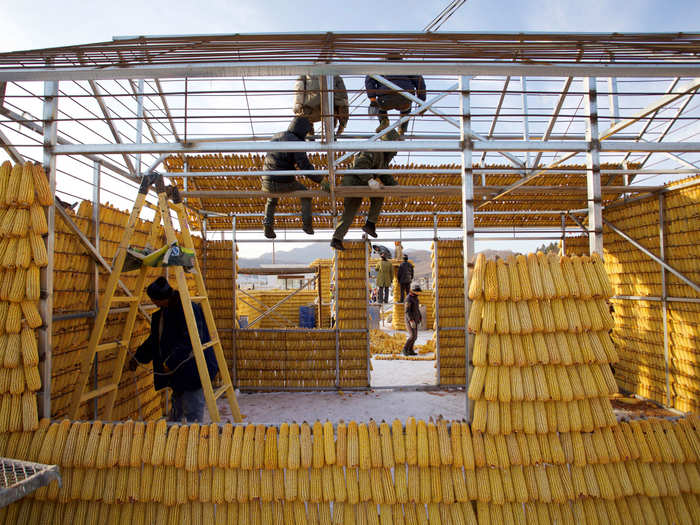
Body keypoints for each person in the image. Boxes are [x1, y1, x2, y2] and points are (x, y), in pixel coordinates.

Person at [128, 277, 218, 422]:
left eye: (153, 300)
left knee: (192, 412)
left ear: (161, 298)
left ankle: (193, 441)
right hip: (178, 373)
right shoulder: (165, 312)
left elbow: (191, 340)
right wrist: (139, 357)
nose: (153, 303)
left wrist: (170, 362)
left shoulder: (188, 310)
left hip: (193, 370)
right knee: (178, 410)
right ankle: (176, 439)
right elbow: (155, 341)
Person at [330, 129, 401, 251]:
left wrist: (397, 187)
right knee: (374, 198)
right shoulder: (373, 149)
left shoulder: (383, 159)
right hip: (353, 182)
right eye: (394, 148)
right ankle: (370, 224)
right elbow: (360, 163)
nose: (395, 153)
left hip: (361, 183)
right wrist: (369, 179)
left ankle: (337, 239)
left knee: (351, 211)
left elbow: (385, 175)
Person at [262, 116, 326, 239]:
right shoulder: (296, 142)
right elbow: (305, 166)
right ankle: (307, 225)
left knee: (271, 199)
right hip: (283, 182)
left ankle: (267, 227)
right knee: (305, 194)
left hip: (266, 181)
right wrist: (322, 181)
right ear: (302, 130)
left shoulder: (277, 136)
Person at [365, 56, 426, 135]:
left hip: (385, 99)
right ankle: (402, 128)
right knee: (406, 109)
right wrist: (421, 101)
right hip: (404, 99)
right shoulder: (409, 66)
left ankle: (384, 122)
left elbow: (369, 80)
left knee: (380, 107)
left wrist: (372, 99)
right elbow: (420, 82)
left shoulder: (378, 66)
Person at [402, 284, 422, 356]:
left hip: (415, 319)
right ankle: (405, 349)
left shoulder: (416, 298)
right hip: (410, 320)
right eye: (418, 291)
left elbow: (417, 309)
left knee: (415, 336)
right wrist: (410, 320)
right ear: (413, 291)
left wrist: (420, 317)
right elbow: (407, 311)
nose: (419, 293)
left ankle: (410, 350)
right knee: (412, 335)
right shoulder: (408, 299)